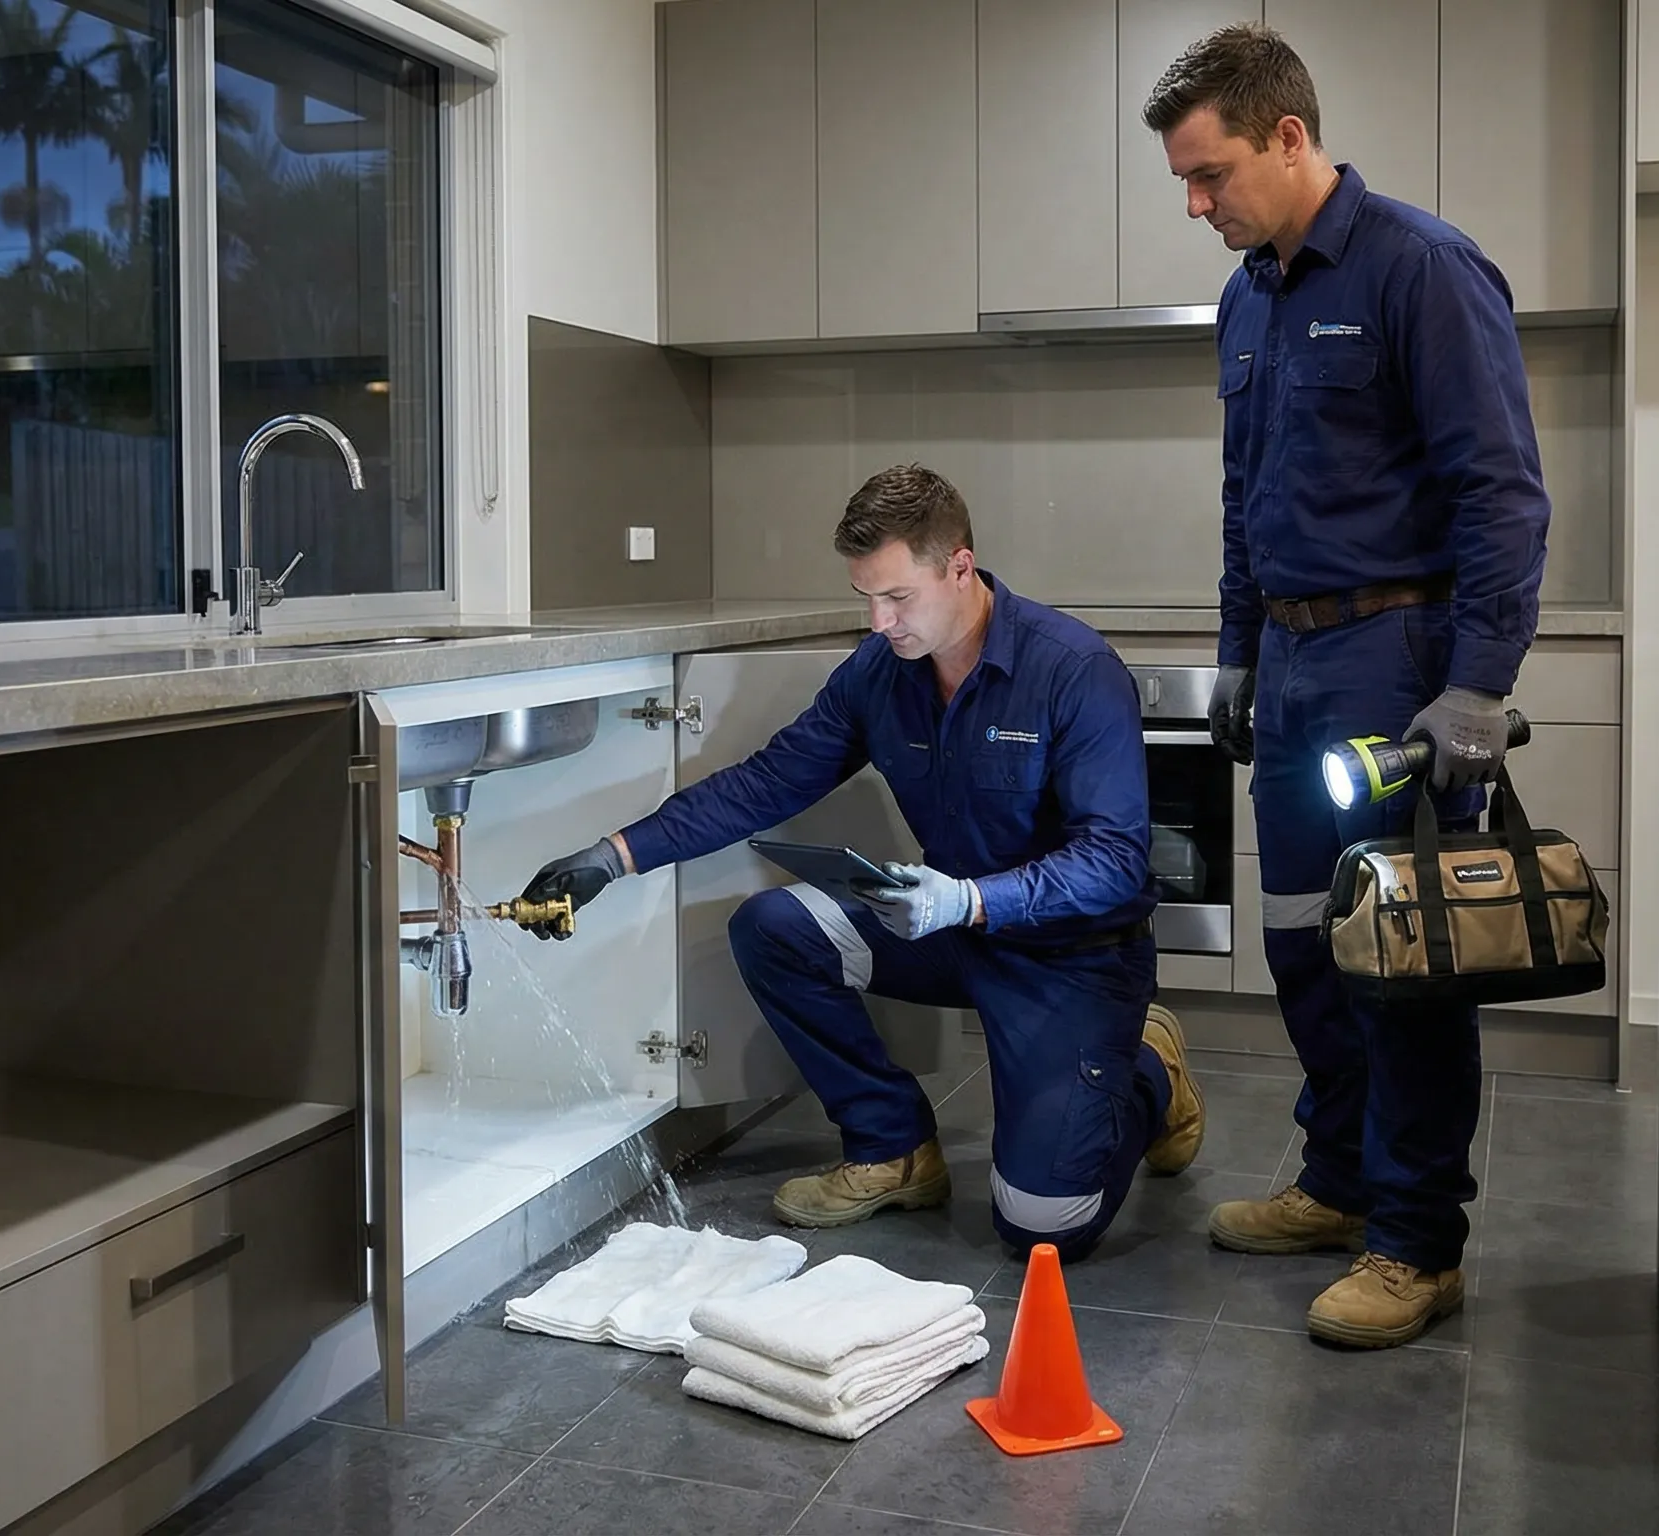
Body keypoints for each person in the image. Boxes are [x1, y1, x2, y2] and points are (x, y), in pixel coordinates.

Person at [514, 463, 1206, 1262]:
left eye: (897, 598)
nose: (878, 622)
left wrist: (967, 901)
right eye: (865, 598)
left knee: (1044, 1227)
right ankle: (893, 1146)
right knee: (775, 928)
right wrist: (615, 855)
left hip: (1073, 958)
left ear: (959, 566)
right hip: (955, 934)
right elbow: (769, 781)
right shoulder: (881, 672)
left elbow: (1115, 862)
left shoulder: (1072, 670)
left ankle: (1151, 1071)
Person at [1144, 24, 1550, 1346]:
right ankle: (1339, 1182)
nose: (1197, 206)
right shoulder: (1253, 300)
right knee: (1303, 946)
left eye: (1210, 176)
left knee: (1401, 958)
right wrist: (1242, 656)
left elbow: (1501, 493)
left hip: (1402, 658)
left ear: (1290, 136)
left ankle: (1419, 1244)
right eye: (1185, 185)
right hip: (1300, 659)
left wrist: (1478, 682)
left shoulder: (1420, 269)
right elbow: (1240, 499)